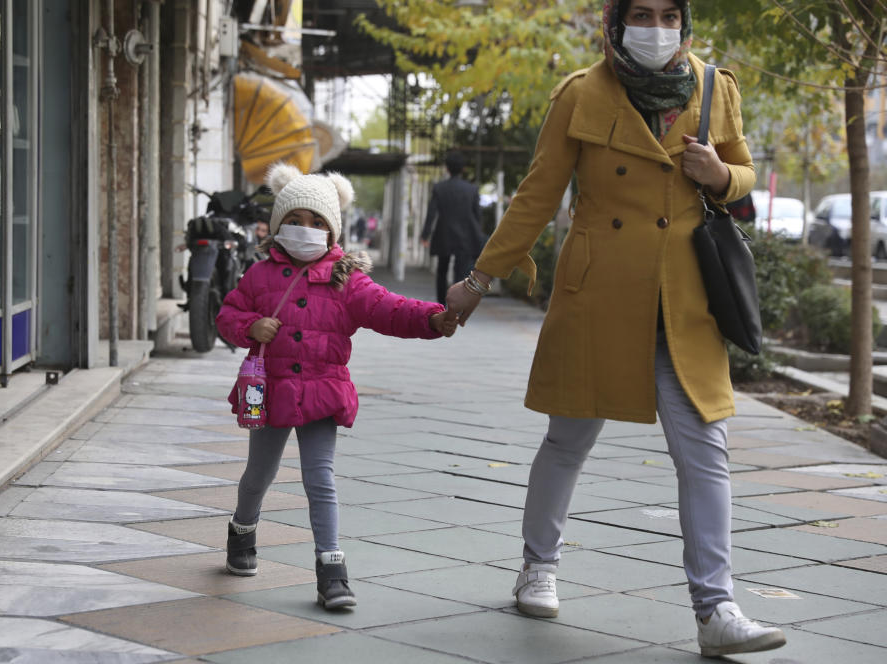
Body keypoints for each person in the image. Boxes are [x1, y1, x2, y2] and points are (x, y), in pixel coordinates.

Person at [445, 0, 786, 657]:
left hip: (683, 302)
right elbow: (538, 195)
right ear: (614, 22)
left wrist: (721, 175)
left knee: (705, 450)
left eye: (667, 14)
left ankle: (716, 608)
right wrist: (479, 282)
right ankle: (538, 565)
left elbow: (741, 175)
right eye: (641, 13)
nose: (654, 27)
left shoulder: (716, 88)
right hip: (598, 296)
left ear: (684, 25)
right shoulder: (580, 93)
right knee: (568, 437)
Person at [216, 163, 457, 611]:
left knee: (320, 479)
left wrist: (432, 318)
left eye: (316, 223)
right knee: (258, 477)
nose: (304, 230)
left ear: (332, 231)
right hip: (269, 393)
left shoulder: (346, 280)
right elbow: (226, 317)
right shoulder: (260, 276)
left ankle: (331, 570)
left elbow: (389, 308)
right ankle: (242, 532)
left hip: (322, 392)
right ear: (277, 224)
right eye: (294, 220)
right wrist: (251, 326)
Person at [422, 151, 486, 305]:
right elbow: (477, 216)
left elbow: (432, 213)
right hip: (465, 236)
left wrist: (425, 235)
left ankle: (440, 304)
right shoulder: (471, 190)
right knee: (461, 271)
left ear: (447, 168)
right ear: (463, 169)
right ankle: (456, 302)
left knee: (442, 270)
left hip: (444, 234)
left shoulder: (439, 188)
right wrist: (478, 235)